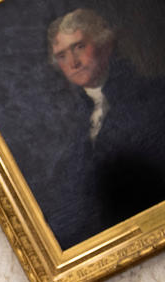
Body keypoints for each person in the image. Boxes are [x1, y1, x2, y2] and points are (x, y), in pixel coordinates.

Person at [36, 9, 165, 249]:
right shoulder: (74, 125)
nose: (73, 62)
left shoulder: (155, 96)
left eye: (79, 47)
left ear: (105, 44)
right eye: (62, 55)